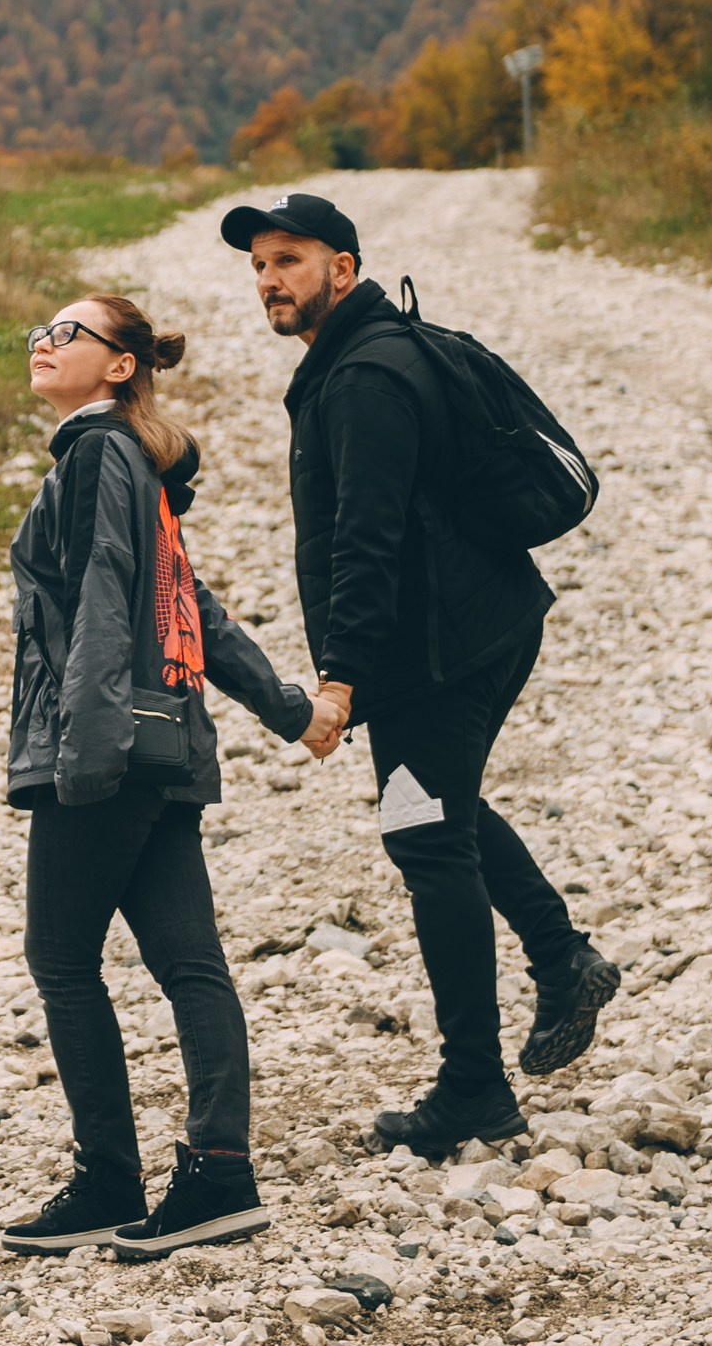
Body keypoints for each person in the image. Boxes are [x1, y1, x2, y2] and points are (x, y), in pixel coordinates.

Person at [221, 191, 619, 1164]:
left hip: (442, 649)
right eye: (262, 263)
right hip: (468, 630)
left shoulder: (364, 375)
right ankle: (562, 959)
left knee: (426, 834)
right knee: (440, 811)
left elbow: (368, 535)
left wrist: (340, 678)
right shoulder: (368, 353)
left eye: (291, 260)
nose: (271, 279)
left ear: (342, 268)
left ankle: (476, 1086)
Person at [1, 292, 316, 1259]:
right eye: (39, 334)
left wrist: (80, 756)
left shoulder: (98, 454)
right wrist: (289, 708)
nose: (44, 345)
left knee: (61, 961)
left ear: (120, 364)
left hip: (104, 749)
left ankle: (106, 1181)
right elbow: (194, 606)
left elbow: (101, 599)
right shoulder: (134, 464)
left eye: (68, 334)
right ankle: (219, 1174)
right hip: (165, 742)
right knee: (190, 965)